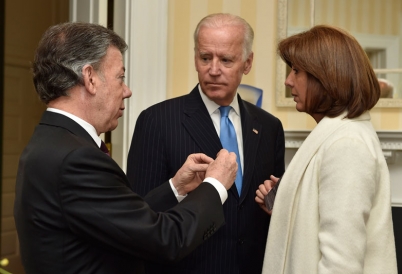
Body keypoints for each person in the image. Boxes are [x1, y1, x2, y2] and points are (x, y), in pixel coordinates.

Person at [13, 22, 239, 274]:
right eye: (120, 77)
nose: (127, 91)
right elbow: (166, 240)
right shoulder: (77, 158)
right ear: (90, 78)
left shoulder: (52, 140)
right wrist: (215, 185)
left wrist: (175, 187)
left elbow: (120, 220)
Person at [127, 13, 285, 274]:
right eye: (205, 58)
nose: (213, 70)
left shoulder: (269, 127)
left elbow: (269, 209)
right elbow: (139, 215)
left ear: (247, 63)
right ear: (195, 59)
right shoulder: (157, 121)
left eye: (225, 60)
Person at [255, 25, 398, 274]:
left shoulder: (346, 145)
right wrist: (288, 201)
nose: (288, 81)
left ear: (326, 77)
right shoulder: (338, 134)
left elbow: (341, 264)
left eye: (296, 71)